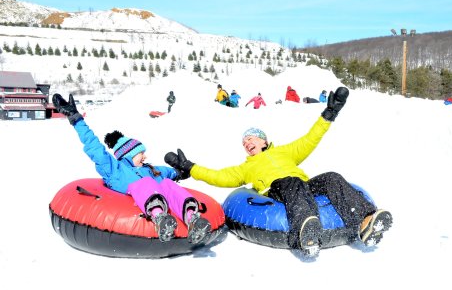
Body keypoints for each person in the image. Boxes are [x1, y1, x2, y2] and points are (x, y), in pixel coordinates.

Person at [164, 87, 392, 258]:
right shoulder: (246, 167)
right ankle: (308, 232)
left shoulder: (286, 152)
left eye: (250, 139)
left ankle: (366, 221)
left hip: (304, 186)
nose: (247, 144)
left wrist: (329, 114)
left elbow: (310, 138)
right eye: (244, 142)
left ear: (263, 140)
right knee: (291, 181)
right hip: (277, 190)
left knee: (331, 177)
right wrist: (191, 168)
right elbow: (219, 176)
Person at [52, 93, 212, 244]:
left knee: (168, 185)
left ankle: (193, 220)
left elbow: (164, 172)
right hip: (143, 201)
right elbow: (95, 148)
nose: (145, 157)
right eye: (140, 153)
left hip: (159, 192)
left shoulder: (149, 169)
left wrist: (179, 171)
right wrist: (76, 119)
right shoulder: (115, 170)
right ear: (127, 154)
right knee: (146, 184)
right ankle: (160, 219)